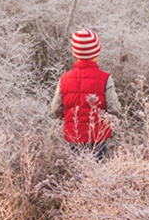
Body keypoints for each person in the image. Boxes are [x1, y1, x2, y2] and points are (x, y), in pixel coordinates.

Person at [51, 29, 121, 161]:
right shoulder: (105, 78)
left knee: (79, 168)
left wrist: (68, 119)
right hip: (98, 134)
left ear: (74, 53)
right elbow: (114, 108)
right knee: (97, 169)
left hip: (74, 134)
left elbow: (56, 108)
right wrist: (109, 120)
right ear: (97, 53)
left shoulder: (64, 78)